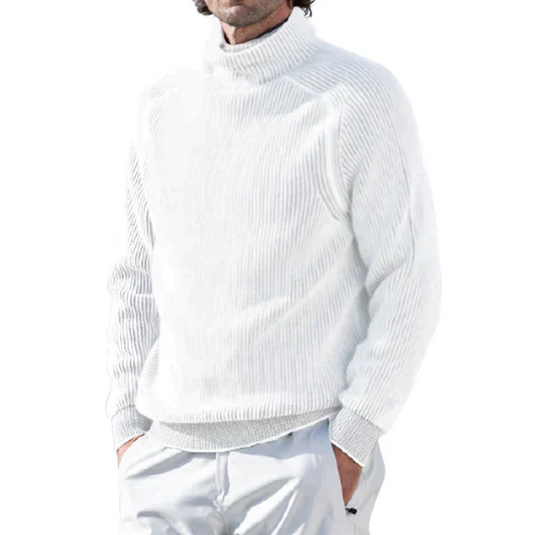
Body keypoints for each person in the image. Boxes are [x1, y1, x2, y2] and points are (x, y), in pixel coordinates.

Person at [104, 1, 442, 533]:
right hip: (166, 463)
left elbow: (409, 278)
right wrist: (128, 430)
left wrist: (351, 441)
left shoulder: (358, 96)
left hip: (300, 460)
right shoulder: (160, 107)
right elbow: (135, 282)